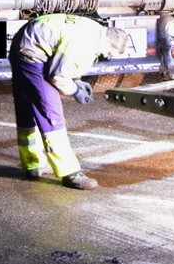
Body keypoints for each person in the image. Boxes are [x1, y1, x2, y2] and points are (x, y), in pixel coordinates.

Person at [9, 13, 129, 189]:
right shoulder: (85, 44)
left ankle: (32, 164)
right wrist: (75, 91)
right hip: (32, 54)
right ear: (108, 42)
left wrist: (77, 80)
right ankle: (70, 173)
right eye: (110, 51)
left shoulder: (94, 29)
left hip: (24, 44)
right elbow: (57, 75)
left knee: (27, 107)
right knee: (52, 114)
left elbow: (64, 56)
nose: (107, 55)